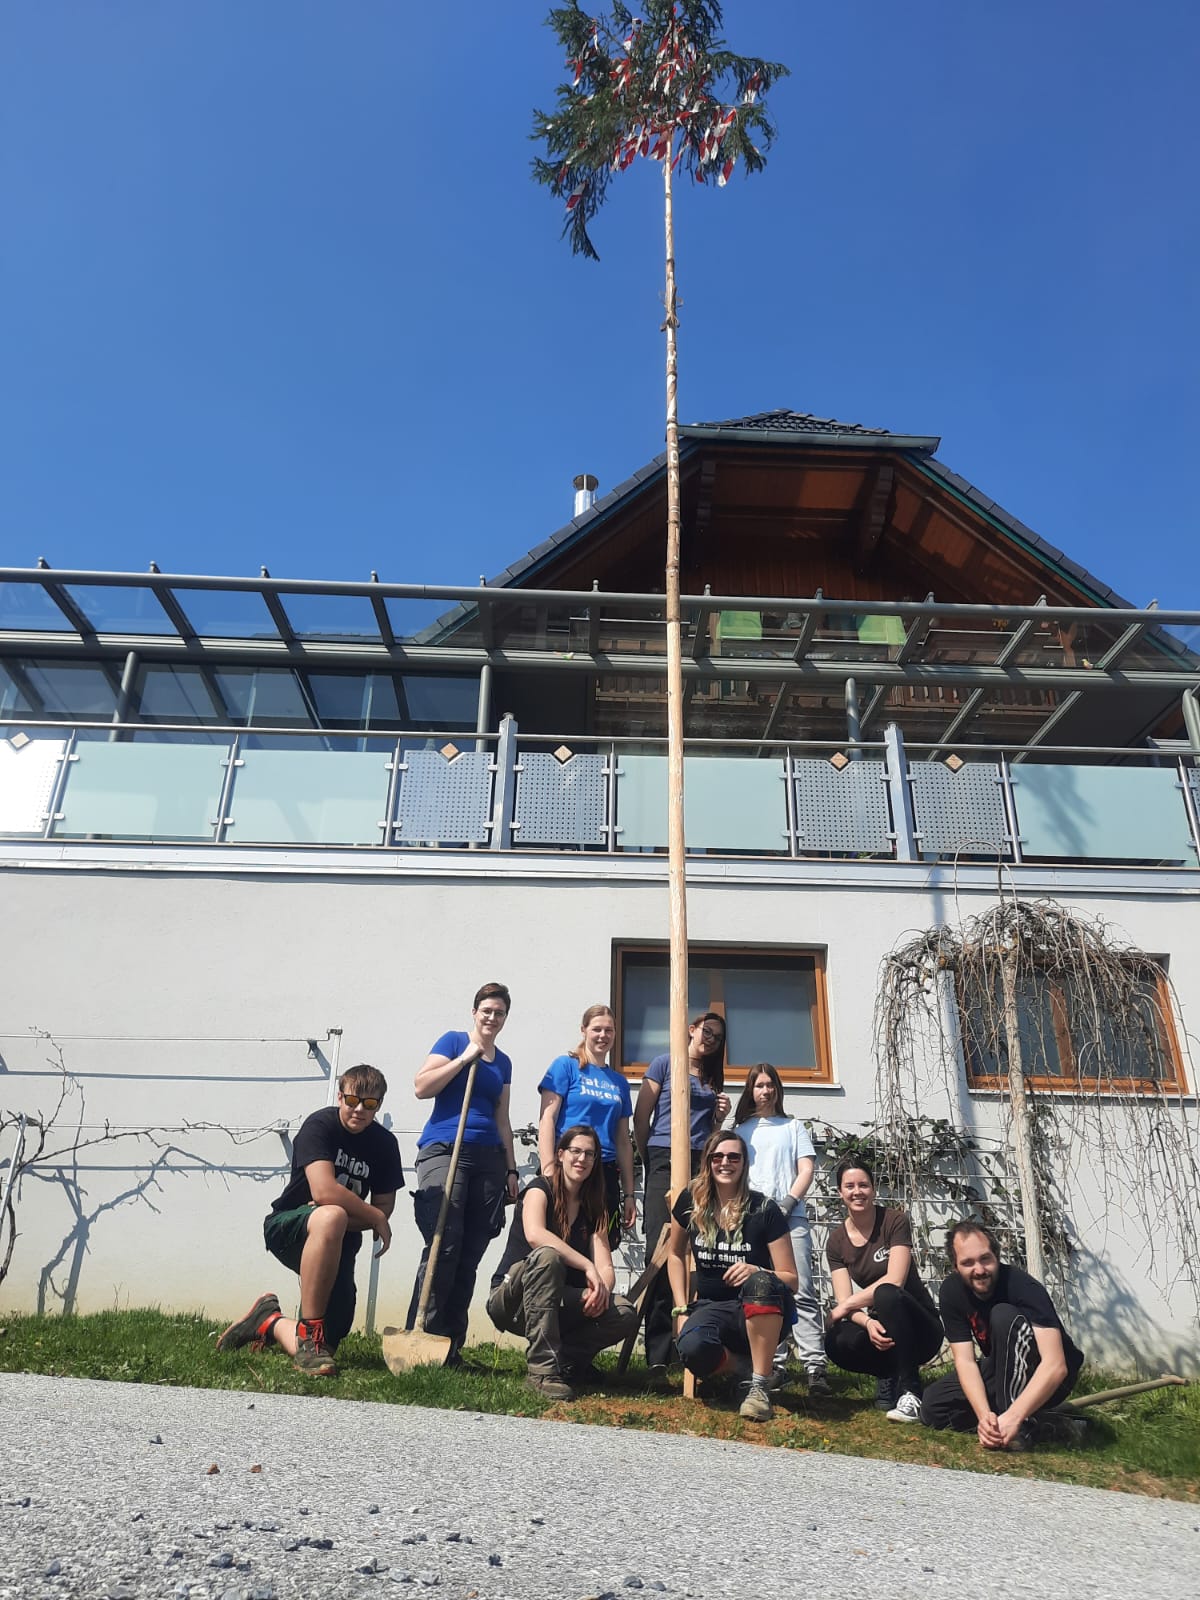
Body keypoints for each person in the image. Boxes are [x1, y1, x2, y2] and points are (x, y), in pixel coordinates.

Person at [217, 1064, 403, 1377]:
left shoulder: (385, 1144)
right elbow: (324, 1190)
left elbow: (384, 1205)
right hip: (289, 1226)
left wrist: (357, 1216)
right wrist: (370, 1215)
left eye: (369, 1104)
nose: (359, 1109)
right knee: (331, 1215)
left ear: (378, 1106)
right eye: (352, 1100)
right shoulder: (320, 1125)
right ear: (340, 1097)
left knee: (328, 1343)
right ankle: (310, 1331)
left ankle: (269, 1321)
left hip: (340, 1243)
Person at [407, 981, 520, 1363]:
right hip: (445, 1147)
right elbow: (421, 1087)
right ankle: (422, 1334)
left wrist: (511, 1169)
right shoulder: (454, 1042)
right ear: (474, 1012)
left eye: (499, 1012)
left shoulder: (503, 1063)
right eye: (487, 1010)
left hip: (488, 1158)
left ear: (505, 1018)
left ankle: (450, 1346)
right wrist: (463, 1060)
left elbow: (502, 1118)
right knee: (445, 1240)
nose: (492, 1017)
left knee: (471, 1250)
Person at [487, 1124, 638, 1399]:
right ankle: (541, 1373)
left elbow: (605, 1266)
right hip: (513, 1300)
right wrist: (587, 1266)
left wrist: (600, 1291)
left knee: (624, 1312)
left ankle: (566, 1362)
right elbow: (535, 1235)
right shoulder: (539, 1189)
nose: (582, 1159)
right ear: (560, 1154)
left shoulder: (595, 1204)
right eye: (575, 1151)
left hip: (559, 1301)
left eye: (589, 1154)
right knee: (548, 1256)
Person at [667, 1129, 798, 1422]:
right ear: (707, 1161)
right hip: (711, 1306)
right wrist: (681, 1308)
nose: (725, 1163)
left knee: (761, 1282)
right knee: (691, 1349)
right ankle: (745, 1369)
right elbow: (675, 1254)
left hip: (759, 1307)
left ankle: (759, 1389)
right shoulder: (691, 1201)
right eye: (717, 1157)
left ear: (744, 1163)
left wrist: (757, 1269)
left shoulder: (764, 1209)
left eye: (733, 1157)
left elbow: (791, 1278)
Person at [920, 1220, 1085, 1449]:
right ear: (956, 1267)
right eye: (968, 1263)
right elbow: (966, 1362)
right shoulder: (951, 1292)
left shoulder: (1023, 1287)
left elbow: (1056, 1366)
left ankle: (1018, 1426)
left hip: (1049, 1376)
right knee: (933, 1408)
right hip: (1002, 1365)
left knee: (1003, 1315)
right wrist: (983, 1415)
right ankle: (1046, 1425)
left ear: (997, 1257)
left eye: (985, 1259)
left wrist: (1014, 1416)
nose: (979, 1270)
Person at [633, 1011, 731, 1378]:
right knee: (661, 1250)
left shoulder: (711, 1077)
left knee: (699, 1251)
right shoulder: (664, 1063)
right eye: (707, 1031)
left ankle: (691, 1345)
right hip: (663, 1154)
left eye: (717, 1037)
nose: (710, 1040)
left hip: (699, 1162)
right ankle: (658, 1354)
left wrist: (719, 1119)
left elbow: (711, 1132)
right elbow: (641, 1117)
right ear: (691, 1029)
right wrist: (651, 1158)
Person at [733, 1063, 830, 1396]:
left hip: (791, 1218)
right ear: (750, 1091)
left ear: (778, 1089)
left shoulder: (793, 1127)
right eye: (759, 1085)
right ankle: (773, 1366)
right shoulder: (741, 1130)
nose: (765, 1091)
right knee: (764, 1289)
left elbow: (806, 1169)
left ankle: (815, 1368)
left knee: (801, 1290)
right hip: (754, 1220)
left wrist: (787, 1203)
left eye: (770, 1084)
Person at [824, 1158, 944, 1421]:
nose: (857, 1192)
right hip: (881, 1326)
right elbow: (844, 1299)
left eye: (864, 1185)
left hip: (920, 1326)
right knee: (836, 1340)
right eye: (850, 1186)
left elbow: (895, 1280)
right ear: (840, 1193)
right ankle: (888, 1374)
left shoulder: (894, 1221)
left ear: (874, 1189)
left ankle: (911, 1391)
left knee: (887, 1293)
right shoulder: (836, 1242)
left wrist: (846, 1305)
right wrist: (867, 1323)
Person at [537, 1004, 636, 1249]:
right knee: (561, 1238)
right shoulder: (565, 1066)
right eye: (597, 1029)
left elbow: (623, 1140)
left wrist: (629, 1194)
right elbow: (547, 1119)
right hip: (569, 1166)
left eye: (609, 1030)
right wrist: (548, 1171)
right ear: (584, 1030)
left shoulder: (619, 1082)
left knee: (602, 1241)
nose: (603, 1035)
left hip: (604, 1171)